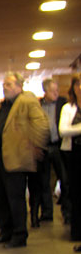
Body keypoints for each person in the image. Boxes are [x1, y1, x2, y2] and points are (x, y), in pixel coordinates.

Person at [0, 72, 49, 248]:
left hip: (14, 158)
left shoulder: (26, 101)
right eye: (4, 84)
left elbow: (41, 124)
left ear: (20, 86)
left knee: (15, 198)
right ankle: (5, 231)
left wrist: (37, 147)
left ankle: (19, 235)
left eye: (10, 84)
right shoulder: (2, 106)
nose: (5, 87)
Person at [37, 78, 69, 223]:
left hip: (59, 146)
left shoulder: (63, 103)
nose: (56, 93)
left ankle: (67, 212)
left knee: (64, 178)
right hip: (44, 146)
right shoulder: (38, 105)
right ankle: (46, 213)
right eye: (52, 91)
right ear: (45, 91)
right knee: (44, 181)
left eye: (57, 90)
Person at [58, 74, 81, 251]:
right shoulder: (68, 107)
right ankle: (77, 232)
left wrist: (74, 130)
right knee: (74, 192)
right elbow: (63, 131)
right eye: (77, 84)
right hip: (72, 154)